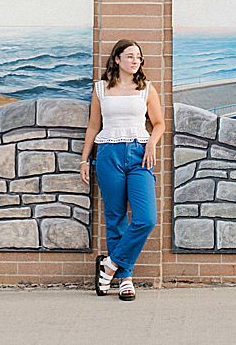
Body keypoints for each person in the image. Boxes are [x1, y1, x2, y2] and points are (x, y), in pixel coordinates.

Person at [79, 38, 164, 301]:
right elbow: (93, 126)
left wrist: (151, 144)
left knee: (146, 217)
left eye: (138, 57)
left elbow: (159, 123)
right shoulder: (101, 89)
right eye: (129, 56)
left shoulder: (147, 89)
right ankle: (125, 278)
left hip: (140, 154)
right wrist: (84, 159)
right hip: (108, 154)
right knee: (115, 217)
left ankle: (110, 265)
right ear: (116, 59)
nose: (135, 60)